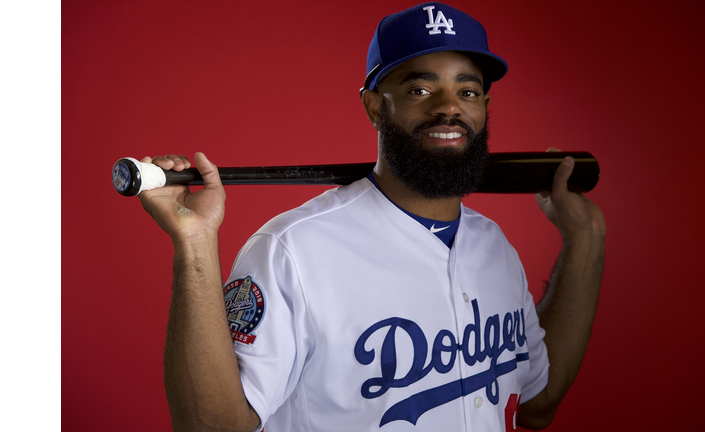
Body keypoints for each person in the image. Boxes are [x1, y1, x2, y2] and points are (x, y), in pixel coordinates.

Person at [137, 3, 605, 431]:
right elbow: (209, 427)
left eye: (468, 90)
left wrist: (585, 237)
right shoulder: (294, 250)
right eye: (421, 88)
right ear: (375, 106)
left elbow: (537, 403)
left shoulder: (495, 246)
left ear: (484, 108)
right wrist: (194, 242)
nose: (449, 106)